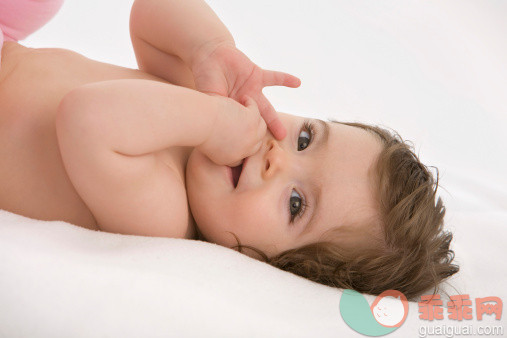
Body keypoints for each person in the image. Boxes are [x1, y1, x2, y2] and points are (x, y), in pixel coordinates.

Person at [0, 0, 458, 300]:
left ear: (269, 267)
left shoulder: (163, 216)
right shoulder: (203, 111)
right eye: (305, 139)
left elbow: (86, 119)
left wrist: (211, 121)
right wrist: (209, 48)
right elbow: (149, 13)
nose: (278, 156)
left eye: (296, 203)